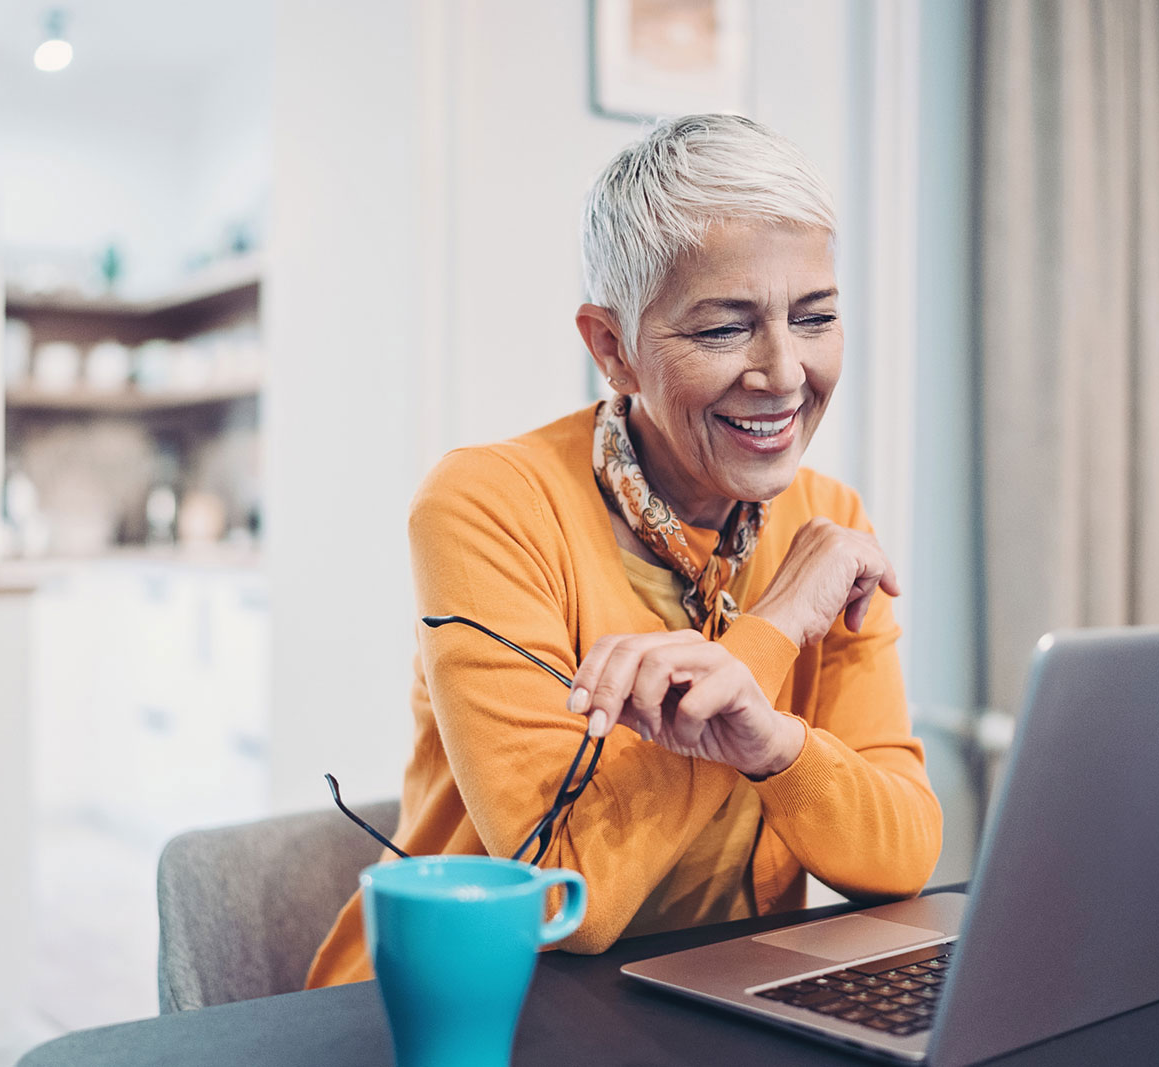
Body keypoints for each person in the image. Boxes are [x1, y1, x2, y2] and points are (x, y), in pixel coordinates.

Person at [307, 114, 942, 987]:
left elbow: (902, 851)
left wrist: (774, 747)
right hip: (464, 1007)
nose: (786, 372)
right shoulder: (486, 504)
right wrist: (773, 630)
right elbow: (564, 897)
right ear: (614, 349)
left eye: (815, 316)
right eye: (725, 329)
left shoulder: (829, 522)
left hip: (707, 1007)